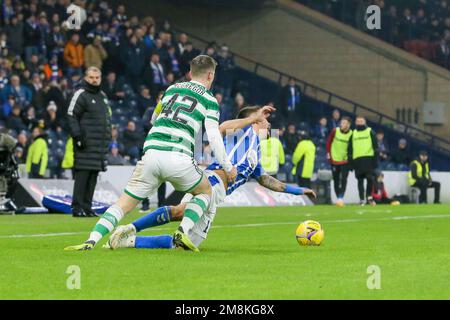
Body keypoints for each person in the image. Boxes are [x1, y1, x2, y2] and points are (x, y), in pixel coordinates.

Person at [65, 55, 238, 251]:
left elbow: (155, 118)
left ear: (190, 73)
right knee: (205, 191)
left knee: (123, 204)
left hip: (151, 155)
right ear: (210, 75)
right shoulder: (209, 100)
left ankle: (91, 240)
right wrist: (228, 167)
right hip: (178, 157)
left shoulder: (172, 89)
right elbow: (214, 137)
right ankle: (183, 230)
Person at [105, 106, 315, 251]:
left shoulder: (255, 154)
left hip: (219, 192)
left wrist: (299, 191)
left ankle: (129, 240)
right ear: (256, 119)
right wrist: (252, 118)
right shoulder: (242, 132)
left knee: (183, 236)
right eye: (266, 120)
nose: (269, 124)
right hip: (212, 181)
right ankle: (130, 229)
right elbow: (221, 127)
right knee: (181, 213)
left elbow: (266, 180)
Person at [66, 66, 112, 218]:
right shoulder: (81, 94)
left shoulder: (103, 96)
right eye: (91, 77)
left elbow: (107, 118)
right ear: (85, 78)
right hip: (85, 143)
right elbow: (71, 115)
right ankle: (77, 207)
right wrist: (78, 137)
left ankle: (87, 206)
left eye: (97, 77)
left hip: (98, 145)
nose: (94, 80)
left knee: (93, 176)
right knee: (82, 176)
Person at [348, 116, 378, 206]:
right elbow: (350, 149)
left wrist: (375, 160)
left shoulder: (370, 131)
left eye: (361, 121)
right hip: (357, 160)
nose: (359, 122)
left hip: (368, 158)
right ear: (356, 123)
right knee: (360, 181)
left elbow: (375, 146)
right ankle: (361, 199)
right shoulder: (353, 133)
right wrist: (350, 163)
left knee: (370, 179)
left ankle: (369, 197)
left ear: (364, 122)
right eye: (358, 121)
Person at [326, 116, 352, 206]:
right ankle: (338, 198)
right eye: (342, 122)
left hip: (345, 161)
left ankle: (341, 197)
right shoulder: (335, 131)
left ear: (349, 125)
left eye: (344, 123)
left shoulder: (351, 134)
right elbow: (328, 142)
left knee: (344, 179)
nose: (342, 124)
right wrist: (329, 156)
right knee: (336, 180)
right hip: (334, 160)